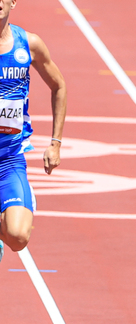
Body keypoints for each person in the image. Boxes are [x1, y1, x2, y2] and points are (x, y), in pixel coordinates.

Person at [0, 0, 66, 262]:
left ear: (13, 2)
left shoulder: (29, 44)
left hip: (9, 159)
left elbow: (59, 86)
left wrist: (56, 143)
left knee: (17, 238)